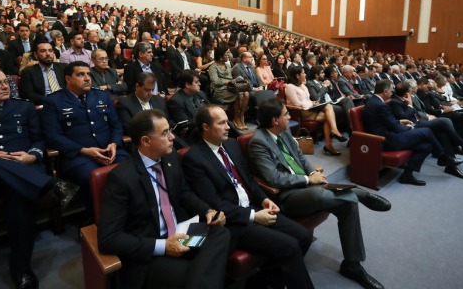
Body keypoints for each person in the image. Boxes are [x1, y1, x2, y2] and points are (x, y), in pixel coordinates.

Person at [0, 66, 79, 289]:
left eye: (6, 82)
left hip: (25, 170)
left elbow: (39, 141)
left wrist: (32, 156)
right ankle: (52, 185)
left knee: (18, 192)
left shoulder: (25, 108)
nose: (5, 86)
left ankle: (21, 268)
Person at [248, 98, 388, 289]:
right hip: (286, 196)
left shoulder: (284, 131)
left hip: (306, 185)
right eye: (286, 114)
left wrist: (312, 173)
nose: (290, 117)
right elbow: (274, 179)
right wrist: (307, 180)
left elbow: (300, 157)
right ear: (275, 120)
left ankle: (352, 265)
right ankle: (357, 193)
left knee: (348, 204)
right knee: (321, 195)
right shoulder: (258, 142)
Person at [183, 105, 315, 289]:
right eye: (221, 123)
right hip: (235, 220)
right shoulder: (195, 159)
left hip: (255, 207)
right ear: (206, 127)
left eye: (227, 121)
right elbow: (214, 203)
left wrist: (263, 199)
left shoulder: (230, 144)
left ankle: (263, 282)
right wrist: (254, 216)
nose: (228, 126)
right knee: (290, 246)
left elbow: (249, 180)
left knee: (303, 236)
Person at [97, 109, 230, 289]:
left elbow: (184, 193)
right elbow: (109, 239)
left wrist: (207, 210)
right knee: (201, 273)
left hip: (181, 235)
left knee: (220, 232)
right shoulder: (122, 178)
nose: (173, 137)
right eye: (165, 133)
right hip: (152, 250)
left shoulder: (170, 157)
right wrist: (164, 246)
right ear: (146, 141)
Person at [40, 61, 128, 213]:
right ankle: (97, 219)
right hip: (78, 156)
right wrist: (83, 150)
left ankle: (132, 214)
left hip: (109, 150)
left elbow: (116, 125)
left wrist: (114, 143)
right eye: (81, 74)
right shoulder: (54, 101)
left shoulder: (102, 95)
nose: (87, 78)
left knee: (132, 169)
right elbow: (52, 136)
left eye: (88, 74)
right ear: (68, 79)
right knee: (93, 178)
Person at [363, 79, 462, 185]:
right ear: (385, 91)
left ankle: (407, 175)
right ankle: (443, 157)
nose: (392, 93)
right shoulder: (380, 105)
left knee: (427, 145)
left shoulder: (374, 101)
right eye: (391, 91)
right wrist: (411, 128)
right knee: (426, 131)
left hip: (387, 134)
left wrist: (399, 121)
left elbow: (381, 121)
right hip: (384, 140)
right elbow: (395, 128)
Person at [285, 66, 344, 156]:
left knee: (328, 113)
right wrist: (311, 104)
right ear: (297, 75)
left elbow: (307, 99)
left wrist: (313, 102)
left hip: (310, 108)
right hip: (302, 112)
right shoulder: (289, 87)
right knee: (328, 108)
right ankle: (333, 133)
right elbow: (296, 103)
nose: (305, 75)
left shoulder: (302, 85)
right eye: (303, 73)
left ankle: (329, 143)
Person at [20, 41, 66, 105]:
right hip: (45, 105)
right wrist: (52, 100)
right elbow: (29, 94)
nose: (48, 54)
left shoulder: (64, 67)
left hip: (66, 102)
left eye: (50, 51)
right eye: (43, 51)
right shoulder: (28, 72)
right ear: (36, 55)